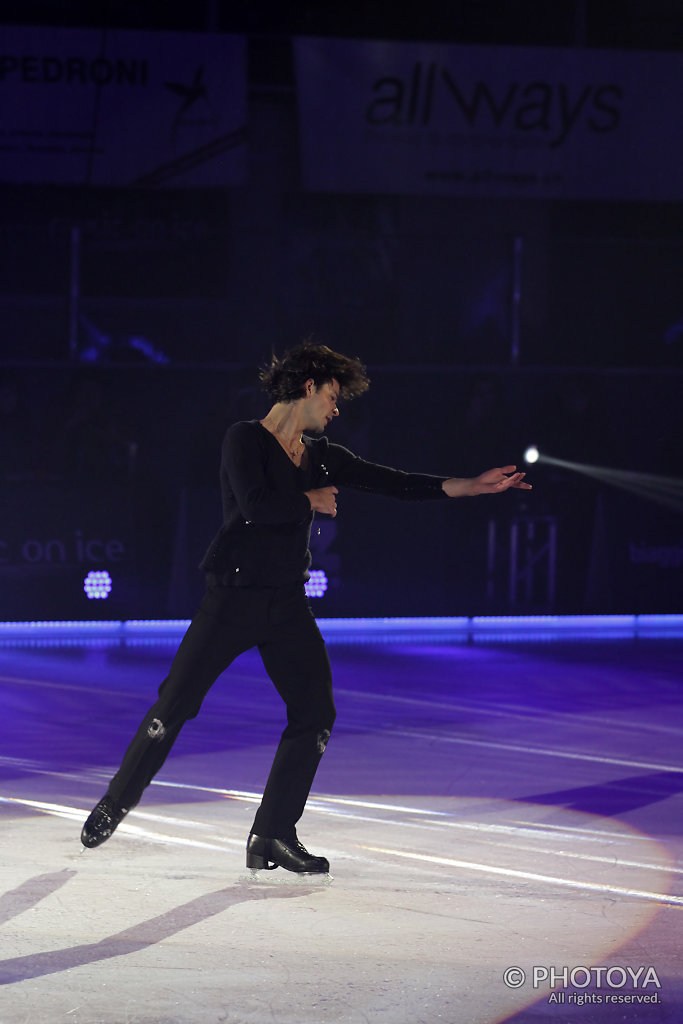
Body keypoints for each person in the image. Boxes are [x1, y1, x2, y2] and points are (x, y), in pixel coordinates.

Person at [81, 342, 531, 874]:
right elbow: (253, 504)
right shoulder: (244, 438)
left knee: (315, 713)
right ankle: (116, 800)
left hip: (286, 605)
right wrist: (309, 501)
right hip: (232, 599)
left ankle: (272, 834)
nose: (336, 410)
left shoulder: (321, 455)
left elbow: (396, 484)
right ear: (308, 386)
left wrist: (469, 487)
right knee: (174, 705)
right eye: (333, 397)